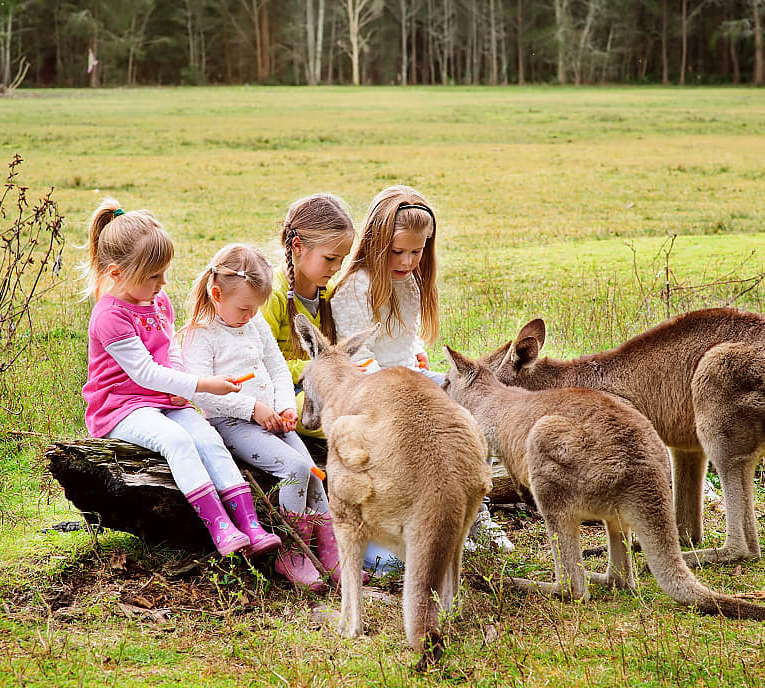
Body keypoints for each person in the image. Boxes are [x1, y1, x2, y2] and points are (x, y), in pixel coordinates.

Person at [80, 199, 281, 560]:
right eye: (153, 276)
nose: (163, 283)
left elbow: (169, 351)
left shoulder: (158, 301)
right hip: (121, 407)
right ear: (116, 273)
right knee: (177, 441)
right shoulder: (109, 316)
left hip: (163, 396)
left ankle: (249, 523)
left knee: (207, 437)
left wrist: (180, 382)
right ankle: (219, 526)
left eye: (163, 273)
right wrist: (202, 384)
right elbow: (143, 372)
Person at [330, 185, 514, 553]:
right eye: (397, 252)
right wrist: (406, 380)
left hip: (406, 375)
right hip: (373, 386)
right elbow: (357, 352)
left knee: (474, 405)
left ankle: (477, 514)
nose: (408, 261)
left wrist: (416, 354)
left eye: (418, 251)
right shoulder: (356, 287)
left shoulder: (409, 282)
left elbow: (406, 335)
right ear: (376, 242)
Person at [180, 243, 345, 591]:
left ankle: (330, 554)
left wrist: (285, 406)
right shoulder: (202, 333)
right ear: (216, 293)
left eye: (255, 308)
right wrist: (252, 408)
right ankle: (292, 554)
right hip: (231, 423)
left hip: (271, 417)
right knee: (296, 468)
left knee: (314, 472)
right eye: (243, 307)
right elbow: (200, 390)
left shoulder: (254, 322)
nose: (250, 315)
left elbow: (277, 368)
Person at [261, 193, 402, 576]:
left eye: (341, 260)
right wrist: (320, 371)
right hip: (275, 398)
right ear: (297, 246)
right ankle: (355, 538)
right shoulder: (270, 293)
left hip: (315, 392)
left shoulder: (322, 296)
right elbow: (258, 359)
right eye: (330, 259)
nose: (336, 268)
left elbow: (335, 356)